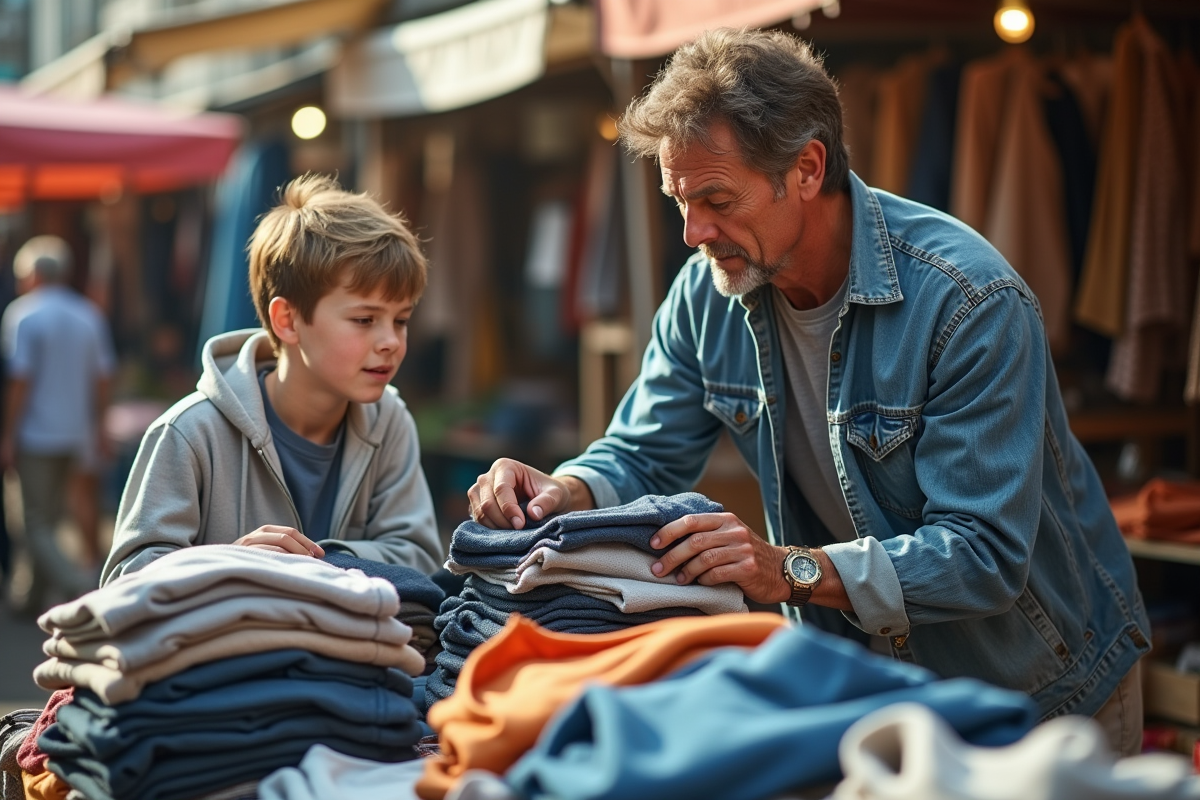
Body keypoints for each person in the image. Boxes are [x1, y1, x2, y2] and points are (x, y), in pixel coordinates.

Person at [468, 29, 1149, 754]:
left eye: (718, 199)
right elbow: (640, 452)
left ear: (807, 167)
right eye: (679, 200)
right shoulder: (707, 292)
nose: (695, 231)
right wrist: (561, 492)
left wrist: (786, 568)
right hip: (864, 691)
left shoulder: (967, 301)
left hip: (1040, 694)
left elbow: (981, 555)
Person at [103, 174, 443, 584]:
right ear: (287, 320)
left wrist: (307, 563)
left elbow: (420, 558)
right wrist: (234, 562)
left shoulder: (389, 421)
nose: (391, 341)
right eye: (364, 319)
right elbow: (125, 578)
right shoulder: (190, 433)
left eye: (402, 320)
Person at [1, 235, 115, 610]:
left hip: (36, 432)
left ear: (33, 274)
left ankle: (78, 582)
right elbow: (103, 378)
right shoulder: (88, 314)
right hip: (75, 431)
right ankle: (30, 596)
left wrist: (7, 433)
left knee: (32, 521)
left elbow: (20, 380)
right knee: (49, 517)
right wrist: (99, 427)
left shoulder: (22, 313)